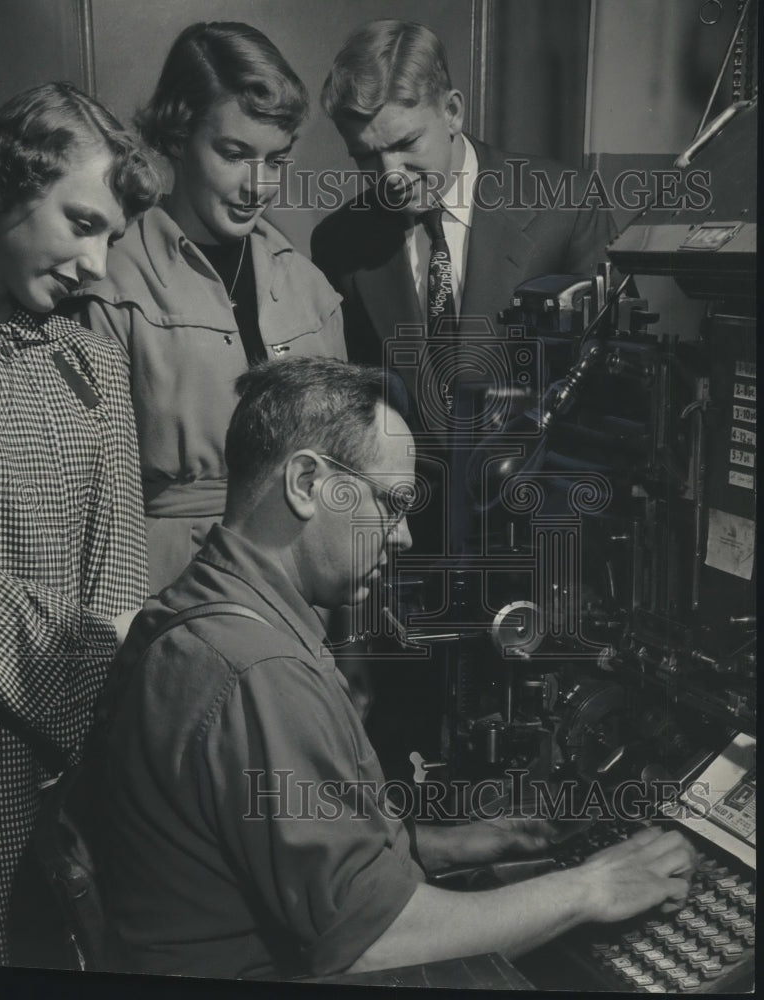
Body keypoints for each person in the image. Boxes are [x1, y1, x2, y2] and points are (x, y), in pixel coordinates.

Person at [86, 357, 696, 981]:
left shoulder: (198, 612)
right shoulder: (257, 672)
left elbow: (275, 839)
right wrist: (592, 887)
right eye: (393, 503)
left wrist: (451, 843)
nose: (403, 537)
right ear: (305, 482)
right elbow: (375, 945)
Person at [0, 81, 161, 964]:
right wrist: (83, 681)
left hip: (77, 765)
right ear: (6, 187)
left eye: (112, 239)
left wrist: (102, 728)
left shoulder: (93, 353)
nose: (99, 266)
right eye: (82, 223)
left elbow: (120, 572)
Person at [62, 21, 346, 594]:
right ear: (178, 134)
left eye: (276, 160)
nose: (257, 186)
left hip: (299, 581)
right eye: (234, 154)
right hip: (164, 584)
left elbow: (343, 466)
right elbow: (78, 493)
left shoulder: (311, 287)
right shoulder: (109, 281)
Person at [311, 18, 617, 439]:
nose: (390, 176)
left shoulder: (568, 205)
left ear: (452, 112)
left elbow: (613, 377)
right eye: (366, 156)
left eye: (404, 145)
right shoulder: (338, 242)